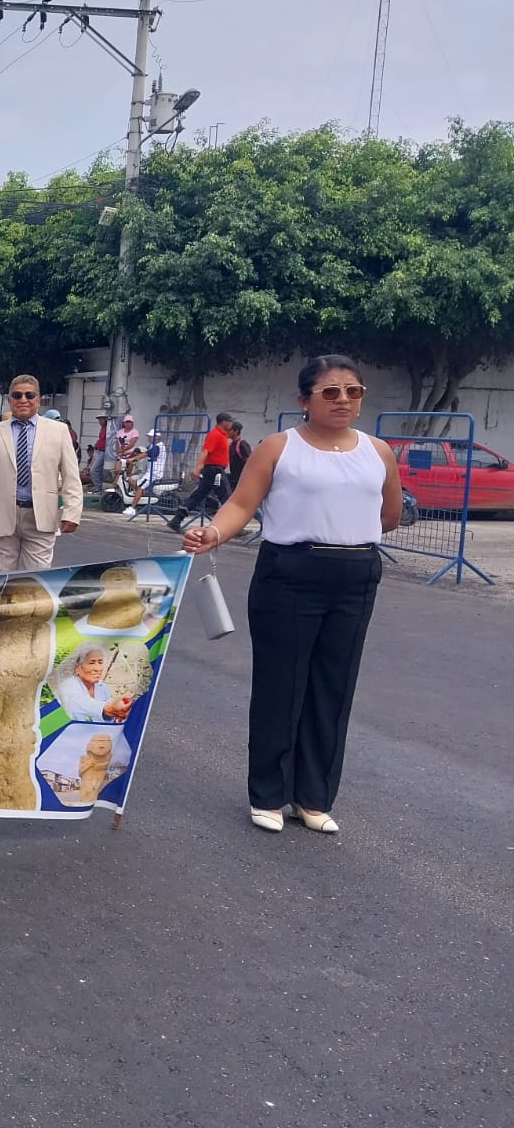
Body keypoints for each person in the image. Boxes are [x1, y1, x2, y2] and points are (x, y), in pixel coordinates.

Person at [182, 355, 402, 835]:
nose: (343, 400)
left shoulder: (378, 451)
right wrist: (213, 533)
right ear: (304, 400)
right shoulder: (279, 447)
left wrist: (346, 534)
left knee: (333, 687)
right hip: (290, 572)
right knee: (280, 686)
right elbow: (242, 503)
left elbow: (389, 514)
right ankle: (268, 794)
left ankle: (313, 797)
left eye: (353, 391)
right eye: (330, 392)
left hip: (356, 574)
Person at [0, 373, 83, 573]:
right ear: (10, 400)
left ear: (38, 399)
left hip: (40, 517)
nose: (23, 400)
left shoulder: (58, 432)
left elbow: (71, 476)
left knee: (36, 582)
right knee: (1, 582)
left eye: (29, 395)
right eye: (17, 395)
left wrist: (72, 513)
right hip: (1, 516)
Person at [167, 412, 235, 532]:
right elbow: (205, 451)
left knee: (199, 495)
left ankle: (177, 519)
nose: (231, 424)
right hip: (215, 470)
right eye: (230, 421)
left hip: (213, 470)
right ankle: (232, 526)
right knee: (227, 496)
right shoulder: (215, 434)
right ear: (224, 422)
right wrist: (198, 468)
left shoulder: (223, 435)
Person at [56, 644, 134, 723]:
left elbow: (110, 715)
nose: (98, 668)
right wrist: (109, 709)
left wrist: (117, 716)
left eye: (100, 662)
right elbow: (78, 703)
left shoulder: (102, 686)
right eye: (91, 663)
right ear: (77, 668)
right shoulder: (68, 686)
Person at [124, 429, 167, 518]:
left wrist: (133, 459)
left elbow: (146, 454)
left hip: (154, 473)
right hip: (149, 472)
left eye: (151, 437)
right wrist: (127, 454)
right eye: (149, 437)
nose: (149, 438)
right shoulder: (152, 446)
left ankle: (132, 508)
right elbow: (143, 452)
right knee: (136, 485)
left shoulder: (158, 446)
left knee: (140, 487)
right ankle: (139, 494)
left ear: (157, 437)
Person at [227, 420, 252, 489]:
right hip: (234, 480)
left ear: (236, 431)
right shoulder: (231, 445)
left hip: (242, 481)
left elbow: (250, 462)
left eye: (230, 430)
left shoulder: (242, 444)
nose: (227, 432)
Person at [88, 412, 110, 489]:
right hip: (98, 450)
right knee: (96, 470)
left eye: (102, 419)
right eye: (99, 419)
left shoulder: (109, 428)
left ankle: (98, 487)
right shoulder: (102, 428)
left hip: (103, 451)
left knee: (93, 470)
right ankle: (97, 486)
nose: (100, 421)